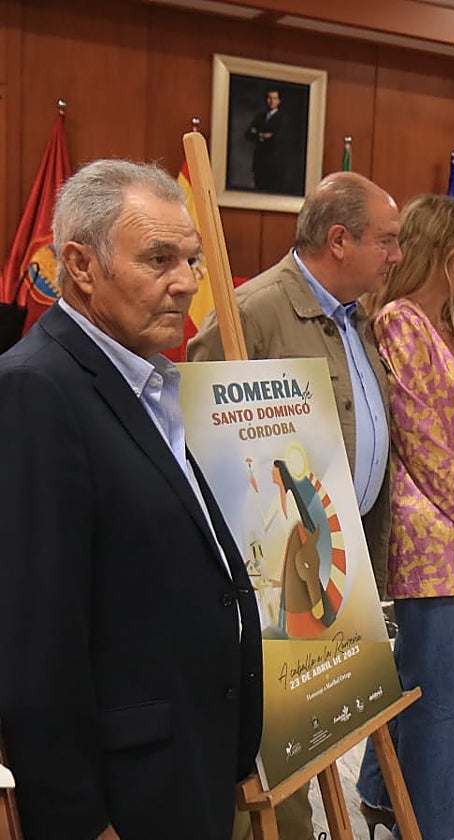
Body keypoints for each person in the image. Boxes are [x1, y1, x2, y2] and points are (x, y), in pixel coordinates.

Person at [0, 159, 263, 839]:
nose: (187, 283)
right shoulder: (36, 390)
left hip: (188, 755)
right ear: (81, 267)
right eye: (159, 259)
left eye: (193, 259)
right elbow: (37, 640)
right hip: (124, 793)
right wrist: (79, 821)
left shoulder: (152, 379)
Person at [189, 170, 401, 840]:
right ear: (340, 240)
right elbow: (197, 436)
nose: (397, 254)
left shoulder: (356, 314)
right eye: (387, 240)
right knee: (265, 741)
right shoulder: (254, 310)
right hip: (270, 577)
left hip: (340, 558)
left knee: (317, 720)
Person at [353, 194, 454, 840]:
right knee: (445, 696)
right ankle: (440, 827)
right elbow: (421, 438)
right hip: (429, 535)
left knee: (420, 677)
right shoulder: (398, 322)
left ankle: (377, 793)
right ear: (438, 248)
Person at [245, 89, 285, 192]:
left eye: (274, 98)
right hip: (259, 159)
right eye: (269, 98)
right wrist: (262, 135)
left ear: (279, 101)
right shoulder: (259, 117)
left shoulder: (282, 119)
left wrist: (258, 133)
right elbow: (248, 134)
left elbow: (279, 137)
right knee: (258, 187)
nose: (271, 101)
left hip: (273, 161)